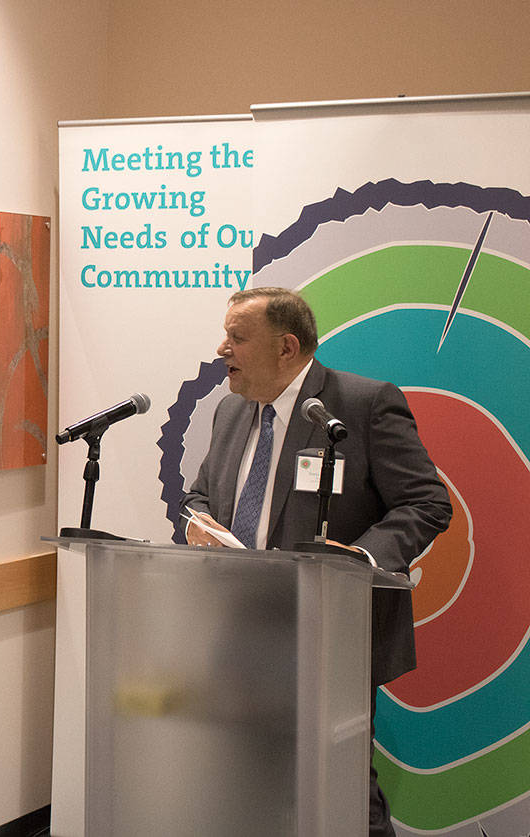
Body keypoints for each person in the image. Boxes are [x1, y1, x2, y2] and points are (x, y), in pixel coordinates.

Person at [182, 286, 452, 836]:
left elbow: (428, 501)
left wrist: (360, 557)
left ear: (286, 347)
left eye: (237, 337)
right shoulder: (231, 411)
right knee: (249, 784)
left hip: (330, 632)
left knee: (343, 789)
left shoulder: (361, 405)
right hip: (239, 631)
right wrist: (198, 522)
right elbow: (201, 495)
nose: (221, 349)